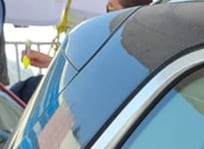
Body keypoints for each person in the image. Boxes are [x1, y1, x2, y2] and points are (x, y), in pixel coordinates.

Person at [12, 0, 153, 103]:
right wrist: (52, 62)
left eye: (110, 7)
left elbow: (97, 80)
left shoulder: (125, 44)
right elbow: (94, 73)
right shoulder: (139, 40)